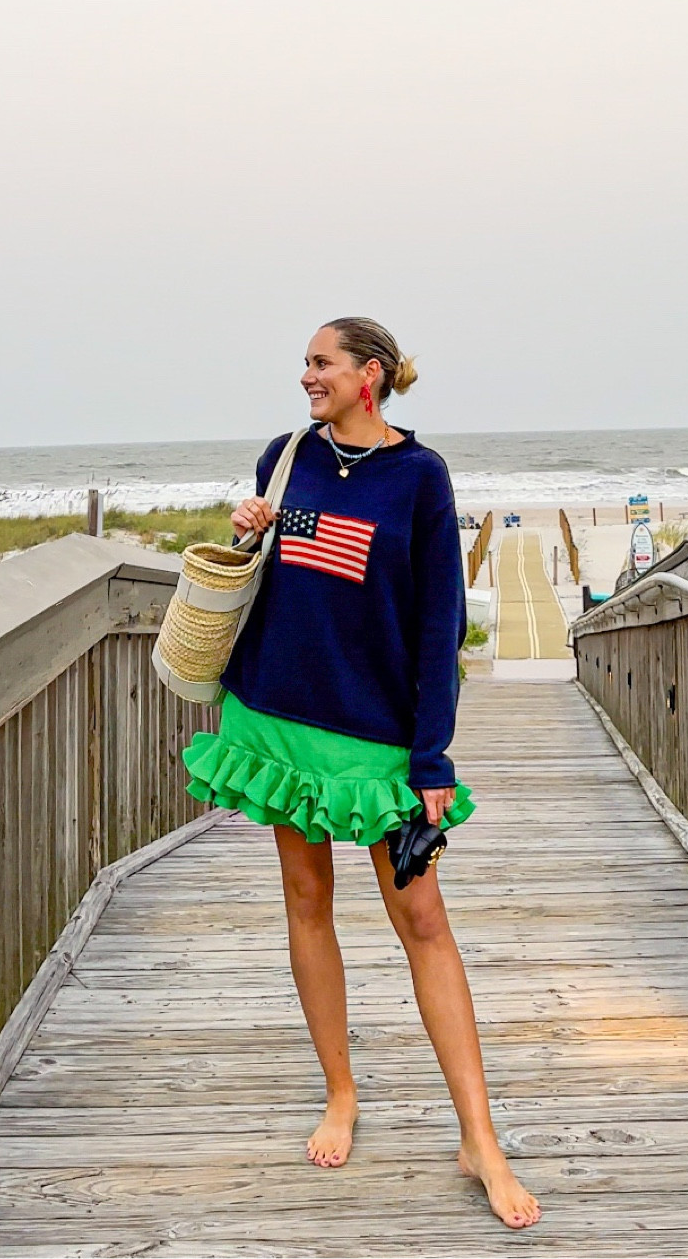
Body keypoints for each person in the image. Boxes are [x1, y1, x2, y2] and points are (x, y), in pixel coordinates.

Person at [182, 317, 541, 1230]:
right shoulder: (285, 454)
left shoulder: (419, 478)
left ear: (368, 374)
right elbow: (278, 577)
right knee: (306, 899)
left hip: (376, 737)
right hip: (276, 716)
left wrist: (431, 755)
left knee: (422, 920)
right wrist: (251, 527)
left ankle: (480, 1138)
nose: (306, 375)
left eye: (321, 362)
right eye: (305, 362)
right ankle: (339, 1093)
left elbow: (437, 623)